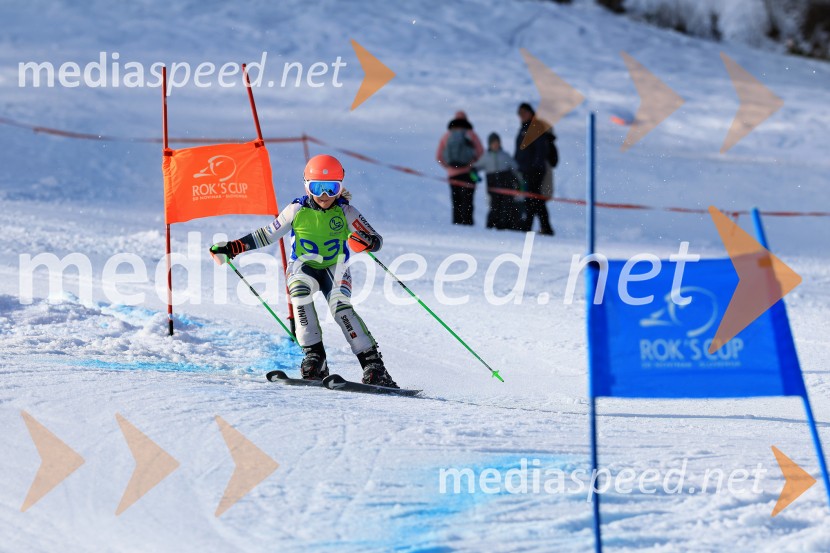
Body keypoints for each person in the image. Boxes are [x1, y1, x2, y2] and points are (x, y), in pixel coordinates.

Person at [209, 154, 398, 388]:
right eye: (317, 188)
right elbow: (266, 234)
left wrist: (368, 242)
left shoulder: (346, 212)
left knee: (340, 308)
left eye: (332, 188)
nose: (324, 195)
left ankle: (374, 366)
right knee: (300, 295)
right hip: (303, 266)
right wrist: (233, 247)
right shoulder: (296, 209)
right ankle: (315, 357)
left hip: (335, 267)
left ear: (340, 187)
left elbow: (376, 239)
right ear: (307, 186)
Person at [435, 111, 484, 225]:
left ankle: (457, 226)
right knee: (468, 202)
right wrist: (473, 164)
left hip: (453, 175)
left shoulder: (447, 135)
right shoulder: (471, 134)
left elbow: (438, 156)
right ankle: (468, 225)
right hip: (469, 174)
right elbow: (481, 153)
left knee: (456, 202)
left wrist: (448, 167)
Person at [514, 102, 555, 236]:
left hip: (534, 171)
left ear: (530, 112)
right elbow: (519, 151)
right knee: (533, 199)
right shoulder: (524, 128)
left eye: (523, 112)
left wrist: (535, 168)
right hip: (525, 170)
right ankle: (541, 226)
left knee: (534, 198)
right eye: (519, 113)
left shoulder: (535, 127)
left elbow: (540, 150)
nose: (521, 116)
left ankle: (536, 226)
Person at [474, 132, 526, 230]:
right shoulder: (486, 157)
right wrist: (474, 176)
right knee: (494, 208)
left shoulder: (505, 156)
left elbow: (516, 170)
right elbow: (475, 168)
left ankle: (505, 227)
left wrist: (520, 183)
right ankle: (491, 228)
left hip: (506, 188)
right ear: (489, 144)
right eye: (493, 143)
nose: (495, 145)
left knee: (507, 208)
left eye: (497, 142)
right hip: (493, 189)